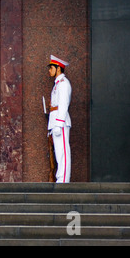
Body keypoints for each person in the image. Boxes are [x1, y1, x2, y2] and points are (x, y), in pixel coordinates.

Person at [47, 54, 72, 183]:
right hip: (55, 122)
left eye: (51, 68)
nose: (49, 70)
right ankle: (60, 178)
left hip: (60, 123)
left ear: (58, 68)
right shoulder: (57, 84)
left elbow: (63, 105)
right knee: (58, 153)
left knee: (63, 152)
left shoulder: (63, 84)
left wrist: (59, 124)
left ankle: (63, 180)